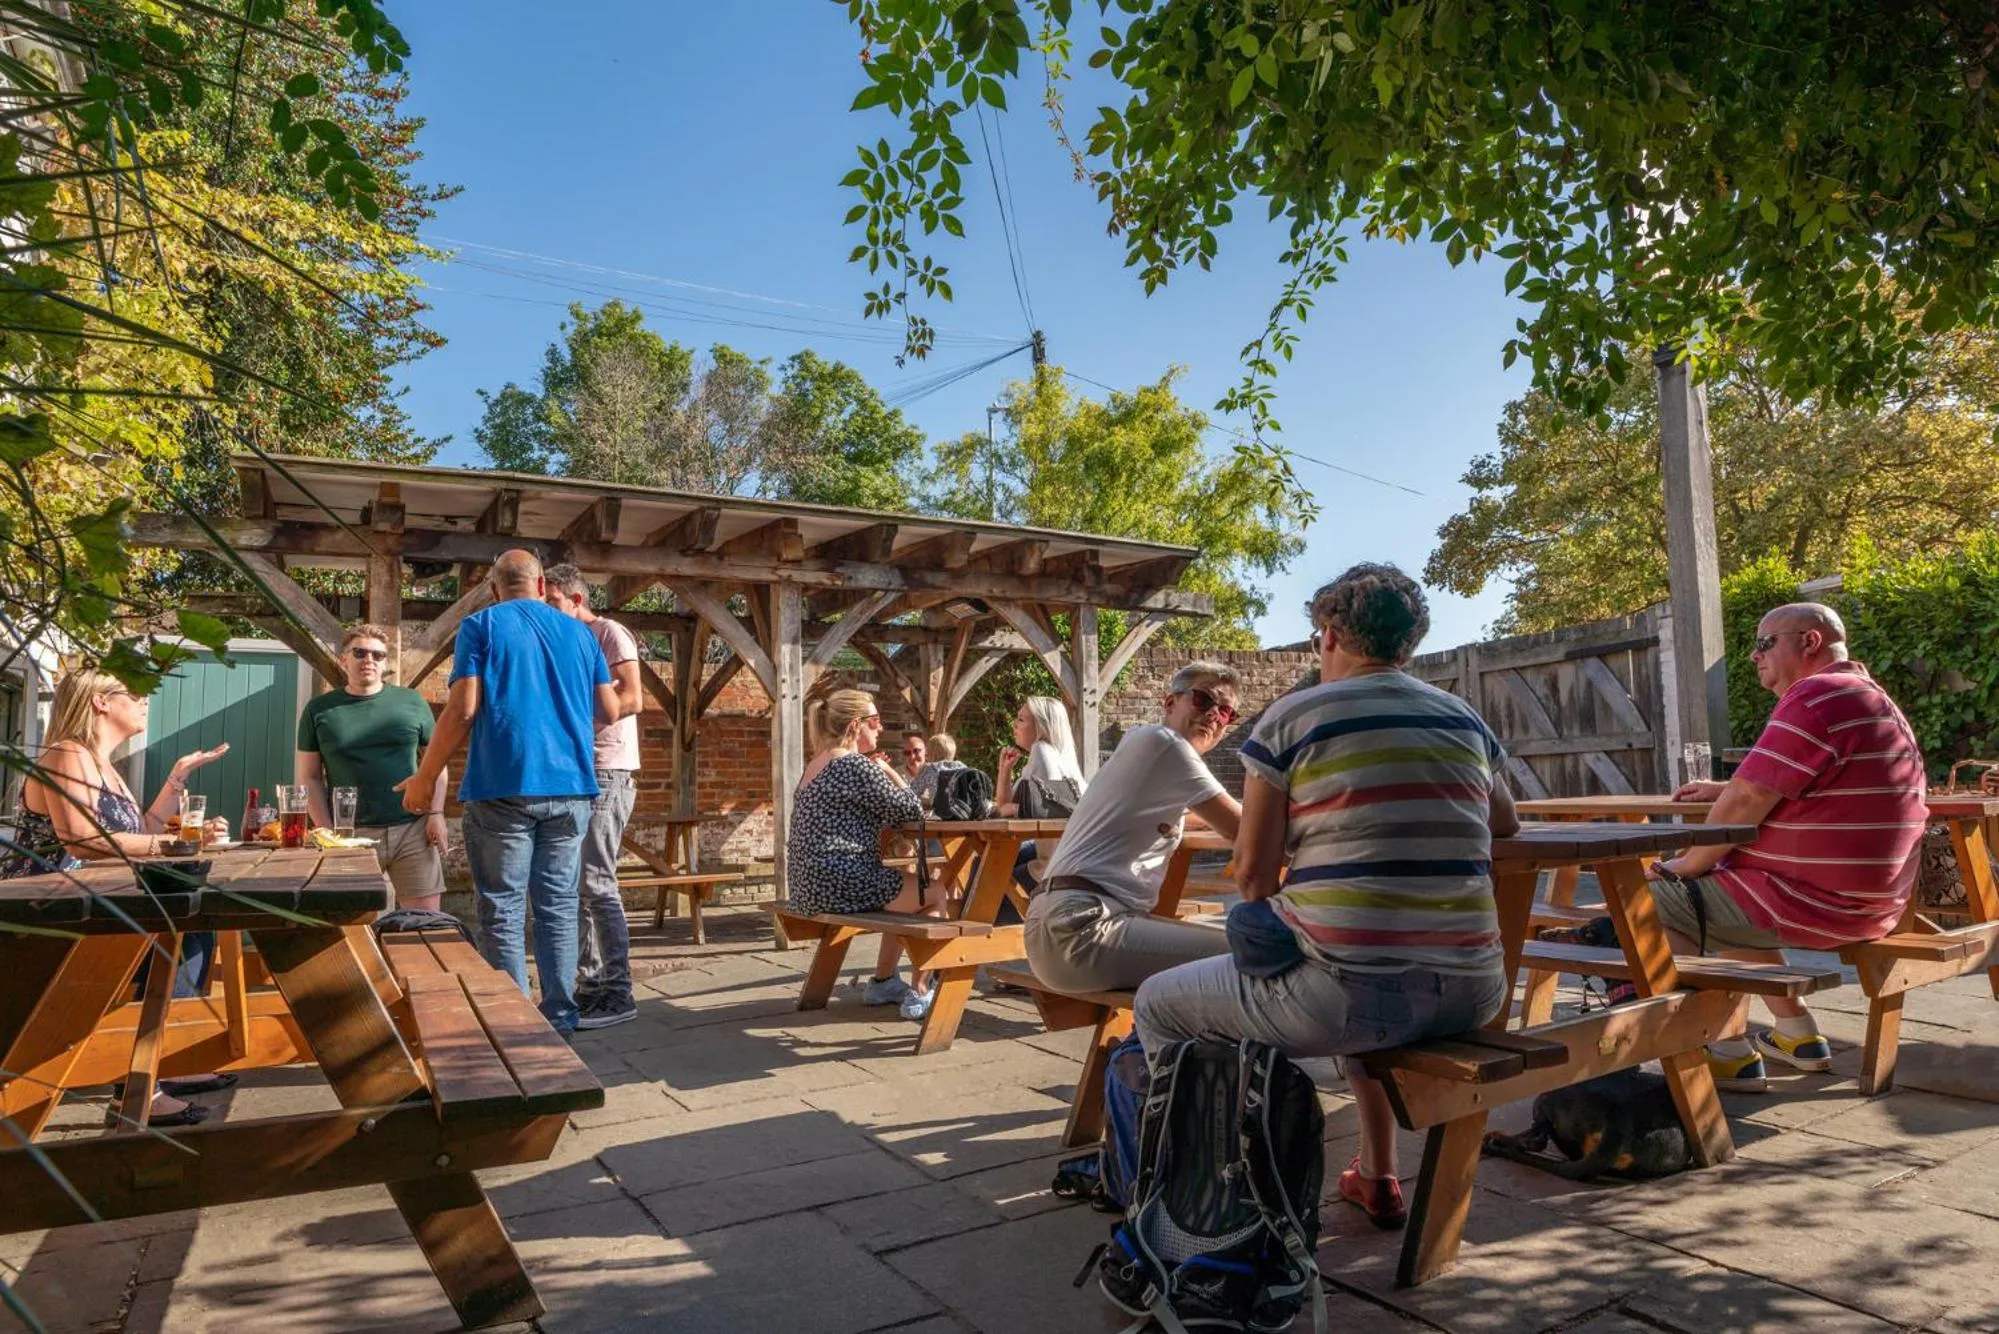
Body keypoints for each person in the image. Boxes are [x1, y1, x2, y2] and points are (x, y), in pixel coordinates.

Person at [1132, 564, 1518, 1231]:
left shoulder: (1294, 717)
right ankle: (1375, 1174)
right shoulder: (1461, 718)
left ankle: (1208, 1193)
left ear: (1330, 633)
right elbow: (1504, 821)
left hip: (1349, 997)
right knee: (1342, 957)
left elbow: (1252, 875)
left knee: (1157, 1003)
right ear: (1409, 643)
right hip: (1475, 989)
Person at [1645, 601, 1927, 1093]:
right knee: (1723, 885)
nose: (1754, 656)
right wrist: (1723, 792)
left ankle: (1723, 1050)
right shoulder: (1864, 695)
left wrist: (1682, 866)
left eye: (1764, 643)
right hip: (1870, 900)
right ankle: (1798, 1034)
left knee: (1650, 902)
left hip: (1816, 900)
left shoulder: (1817, 696)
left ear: (1809, 641)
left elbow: (1749, 798)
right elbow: (1771, 785)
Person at [399, 549, 620, 1036]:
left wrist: (423, 776)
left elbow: (462, 710)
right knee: (558, 906)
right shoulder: (582, 635)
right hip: (572, 787)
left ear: (494, 588)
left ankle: (514, 1023)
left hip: (502, 786)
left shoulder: (481, 626)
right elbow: (608, 708)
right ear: (542, 586)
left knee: (501, 907)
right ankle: (560, 1018)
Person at [0, 668, 231, 1126]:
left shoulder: (103, 765)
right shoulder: (67, 753)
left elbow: (138, 833)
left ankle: (154, 1068)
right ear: (101, 702)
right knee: (178, 934)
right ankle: (141, 1080)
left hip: (92, 903)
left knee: (194, 928)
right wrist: (179, 845)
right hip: (45, 911)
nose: (146, 700)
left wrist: (177, 779)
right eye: (137, 692)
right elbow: (83, 842)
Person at [1024, 661, 1243, 993]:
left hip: (1060, 923)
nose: (1215, 714)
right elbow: (1241, 827)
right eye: (1204, 700)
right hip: (1083, 928)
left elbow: (1198, 817)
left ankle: (1151, 1041)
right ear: (1170, 703)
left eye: (1227, 713)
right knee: (1252, 956)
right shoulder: (1167, 744)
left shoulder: (1145, 743)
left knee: (1217, 955)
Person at [786, 688, 938, 1021]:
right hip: (842, 883)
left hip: (806, 888)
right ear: (856, 725)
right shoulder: (854, 764)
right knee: (938, 893)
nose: (880, 728)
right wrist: (891, 772)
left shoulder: (816, 764)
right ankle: (922, 990)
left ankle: (884, 981)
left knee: (908, 891)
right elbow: (910, 809)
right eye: (875, 721)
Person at [542, 563, 647, 1031]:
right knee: (573, 884)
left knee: (598, 881)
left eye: (554, 603)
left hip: (608, 770)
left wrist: (572, 723)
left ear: (576, 600)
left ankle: (619, 991)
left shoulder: (609, 633)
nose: (548, 612)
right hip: (573, 773)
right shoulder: (561, 642)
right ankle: (588, 986)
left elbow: (633, 698)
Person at [297, 624, 448, 911]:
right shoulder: (319, 710)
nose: (369, 660)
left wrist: (437, 813)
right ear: (344, 660)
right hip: (350, 835)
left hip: (412, 829)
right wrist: (327, 831)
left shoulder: (412, 702)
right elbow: (309, 776)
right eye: (360, 652)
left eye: (378, 656)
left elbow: (436, 763)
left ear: (385, 663)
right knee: (356, 927)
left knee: (424, 924)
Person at [994, 695, 1089, 893]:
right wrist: (1005, 770)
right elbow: (1005, 805)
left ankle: (978, 921)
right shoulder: (1064, 756)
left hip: (1056, 867)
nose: (1015, 724)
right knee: (999, 863)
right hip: (1076, 860)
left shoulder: (1042, 751)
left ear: (1041, 726)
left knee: (992, 875)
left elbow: (1049, 808)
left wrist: (1013, 808)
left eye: (1021, 719)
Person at [911, 732, 967, 810]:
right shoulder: (963, 767)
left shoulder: (930, 768)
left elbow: (911, 793)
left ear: (932, 753)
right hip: (964, 812)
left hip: (941, 814)